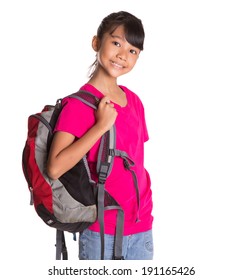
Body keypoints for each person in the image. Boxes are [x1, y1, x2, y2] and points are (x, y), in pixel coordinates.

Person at [47, 11, 153, 260]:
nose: (122, 55)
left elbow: (136, 163)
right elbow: (54, 168)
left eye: (132, 51)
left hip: (141, 226)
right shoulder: (79, 105)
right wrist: (100, 126)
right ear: (96, 43)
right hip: (101, 230)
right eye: (116, 43)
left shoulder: (135, 101)